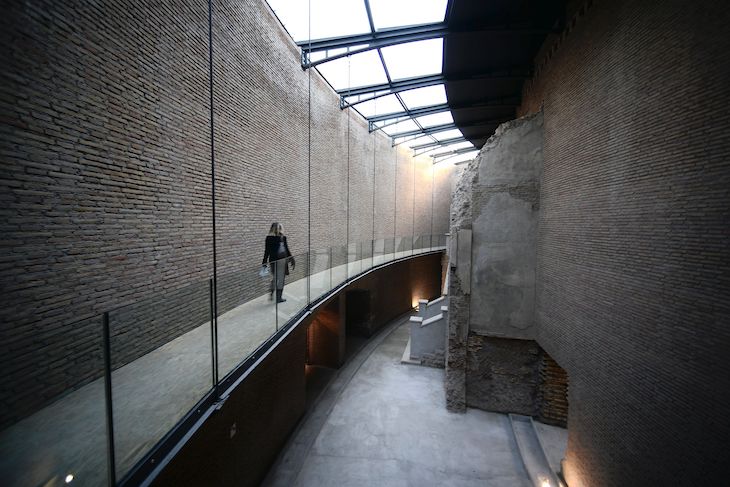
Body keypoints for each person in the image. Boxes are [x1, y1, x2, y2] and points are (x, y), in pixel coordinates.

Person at [262, 222, 295, 303]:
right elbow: (267, 251)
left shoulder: (282, 237)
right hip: (277, 261)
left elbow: (286, 249)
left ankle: (274, 294)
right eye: (279, 228)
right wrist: (264, 263)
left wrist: (292, 259)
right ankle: (277, 297)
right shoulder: (272, 238)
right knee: (279, 279)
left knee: (278, 278)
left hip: (282, 260)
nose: (280, 230)